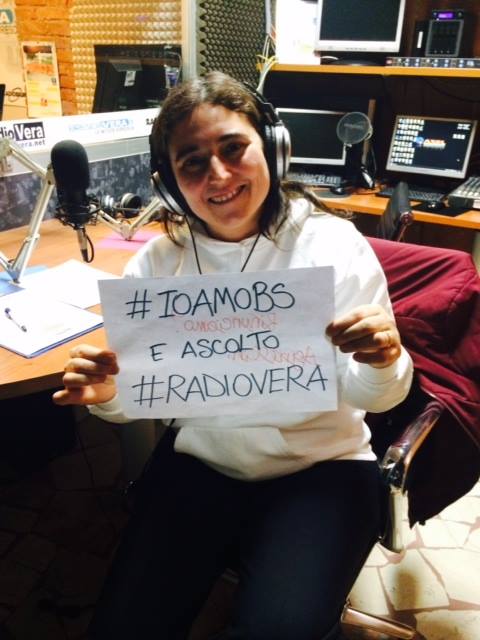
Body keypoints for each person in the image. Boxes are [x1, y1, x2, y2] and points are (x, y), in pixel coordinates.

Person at [53, 71, 413, 640]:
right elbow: (145, 399)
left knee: (279, 630)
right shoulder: (156, 264)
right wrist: (107, 395)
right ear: (170, 182)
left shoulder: (333, 246)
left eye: (233, 148)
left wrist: (382, 361)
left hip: (321, 468)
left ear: (273, 148)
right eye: (192, 162)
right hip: (203, 464)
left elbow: (379, 397)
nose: (217, 176)